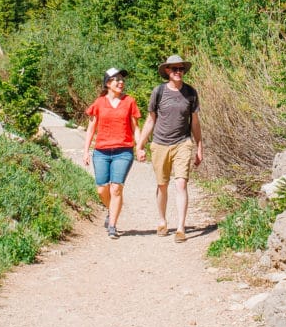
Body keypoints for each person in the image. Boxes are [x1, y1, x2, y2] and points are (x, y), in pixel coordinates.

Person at [137, 54, 203, 243]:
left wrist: (199, 146)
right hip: (159, 144)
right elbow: (151, 120)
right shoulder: (158, 92)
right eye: (174, 69)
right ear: (167, 71)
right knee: (162, 185)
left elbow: (195, 123)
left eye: (181, 69)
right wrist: (140, 145)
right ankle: (162, 220)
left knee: (181, 183)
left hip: (183, 142)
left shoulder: (191, 93)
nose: (178, 72)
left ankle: (181, 227)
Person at [83, 68, 141, 239]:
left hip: (123, 151)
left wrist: (139, 147)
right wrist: (86, 151)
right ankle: (111, 210)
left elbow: (135, 127)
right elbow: (91, 128)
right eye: (117, 80)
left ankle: (113, 226)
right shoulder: (99, 102)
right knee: (102, 190)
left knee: (116, 188)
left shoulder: (130, 101)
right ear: (108, 83)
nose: (121, 82)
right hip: (101, 151)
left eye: (122, 80)